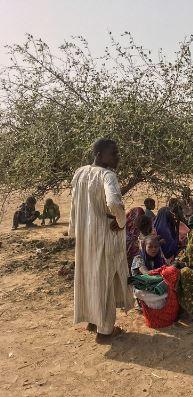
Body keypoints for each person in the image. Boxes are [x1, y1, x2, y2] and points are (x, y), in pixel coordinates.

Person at [69, 138, 133, 343]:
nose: (118, 157)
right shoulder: (108, 175)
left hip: (86, 235)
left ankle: (92, 320)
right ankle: (105, 331)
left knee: (90, 277)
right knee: (105, 279)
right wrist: (121, 221)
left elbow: (74, 205)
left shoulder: (80, 173)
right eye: (113, 153)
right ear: (99, 155)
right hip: (105, 235)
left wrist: (74, 229)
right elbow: (114, 201)